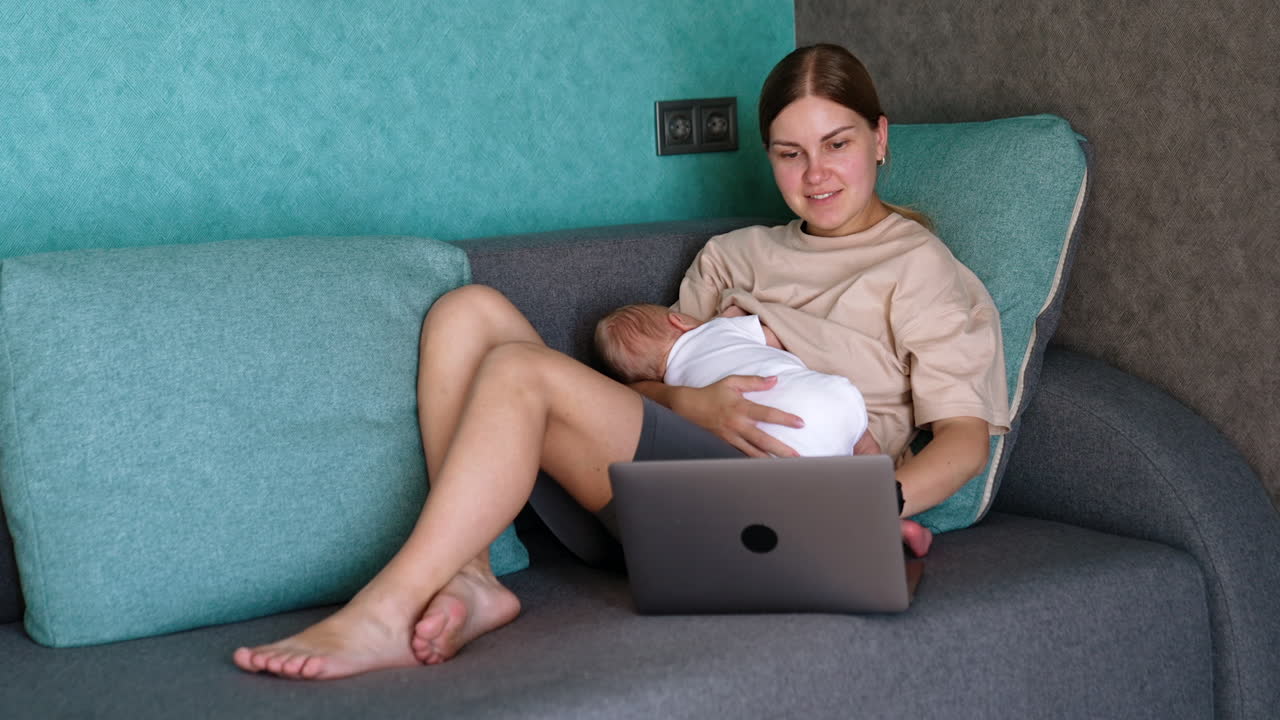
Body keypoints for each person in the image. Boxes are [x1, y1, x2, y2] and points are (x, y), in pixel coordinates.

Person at [232, 43, 1010, 681]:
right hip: (667, 488)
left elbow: (965, 441)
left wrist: (877, 505)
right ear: (768, 158)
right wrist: (694, 408)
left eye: (838, 144)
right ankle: (470, 576)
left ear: (879, 137)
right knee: (463, 313)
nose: (816, 174)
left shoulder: (921, 269)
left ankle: (387, 609)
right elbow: (658, 380)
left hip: (783, 514)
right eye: (790, 153)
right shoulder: (734, 256)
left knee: (518, 371)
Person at [595, 302, 877, 457]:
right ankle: (886, 491)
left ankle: (881, 522)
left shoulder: (673, 389)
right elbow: (774, 337)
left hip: (768, 443)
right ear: (679, 320)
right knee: (861, 441)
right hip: (824, 398)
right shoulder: (719, 328)